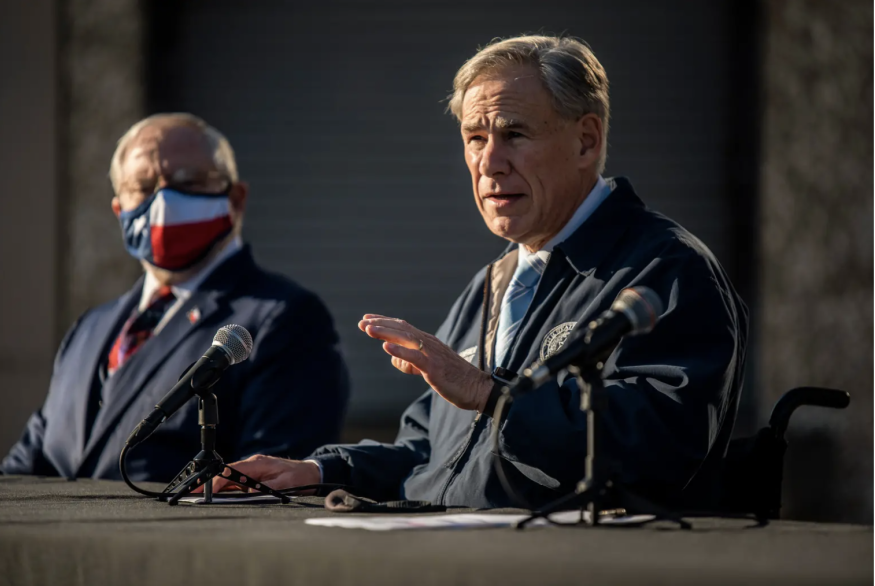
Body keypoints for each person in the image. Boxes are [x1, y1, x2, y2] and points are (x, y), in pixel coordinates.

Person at [209, 36, 748, 509]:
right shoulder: (493, 282)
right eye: (474, 138)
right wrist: (321, 470)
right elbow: (431, 455)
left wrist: (493, 395)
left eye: (513, 134)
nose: (489, 163)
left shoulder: (665, 269)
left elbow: (661, 448)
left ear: (587, 140)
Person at [0, 113, 350, 482]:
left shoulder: (285, 319)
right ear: (120, 210)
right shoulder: (90, 328)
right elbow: (24, 470)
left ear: (236, 199)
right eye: (143, 186)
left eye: (189, 182)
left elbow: (265, 487)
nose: (164, 200)